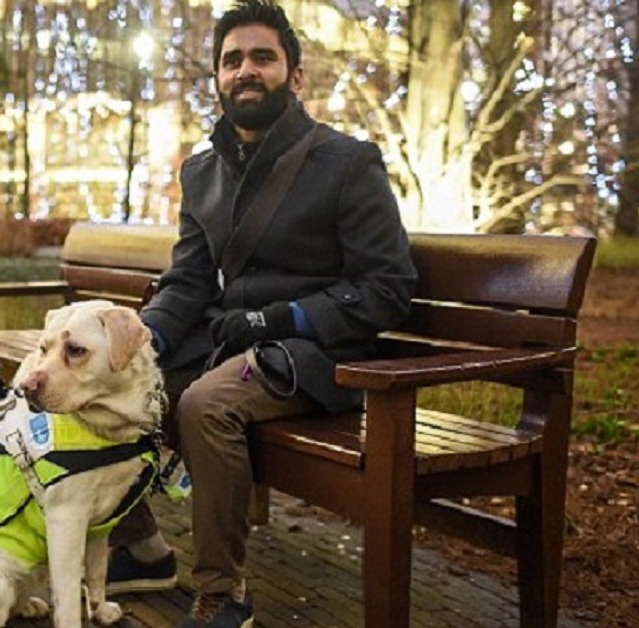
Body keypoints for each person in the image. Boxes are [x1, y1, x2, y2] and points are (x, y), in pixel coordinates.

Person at [104, 1, 418, 626]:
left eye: (263, 58)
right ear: (218, 78)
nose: (246, 70)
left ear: (295, 76)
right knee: (107, 386)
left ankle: (225, 590)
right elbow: (189, 278)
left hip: (317, 359)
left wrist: (286, 319)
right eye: (232, 60)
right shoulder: (202, 171)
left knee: (205, 404)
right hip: (229, 347)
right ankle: (142, 550)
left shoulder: (348, 163)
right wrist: (147, 339)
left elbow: (388, 288)